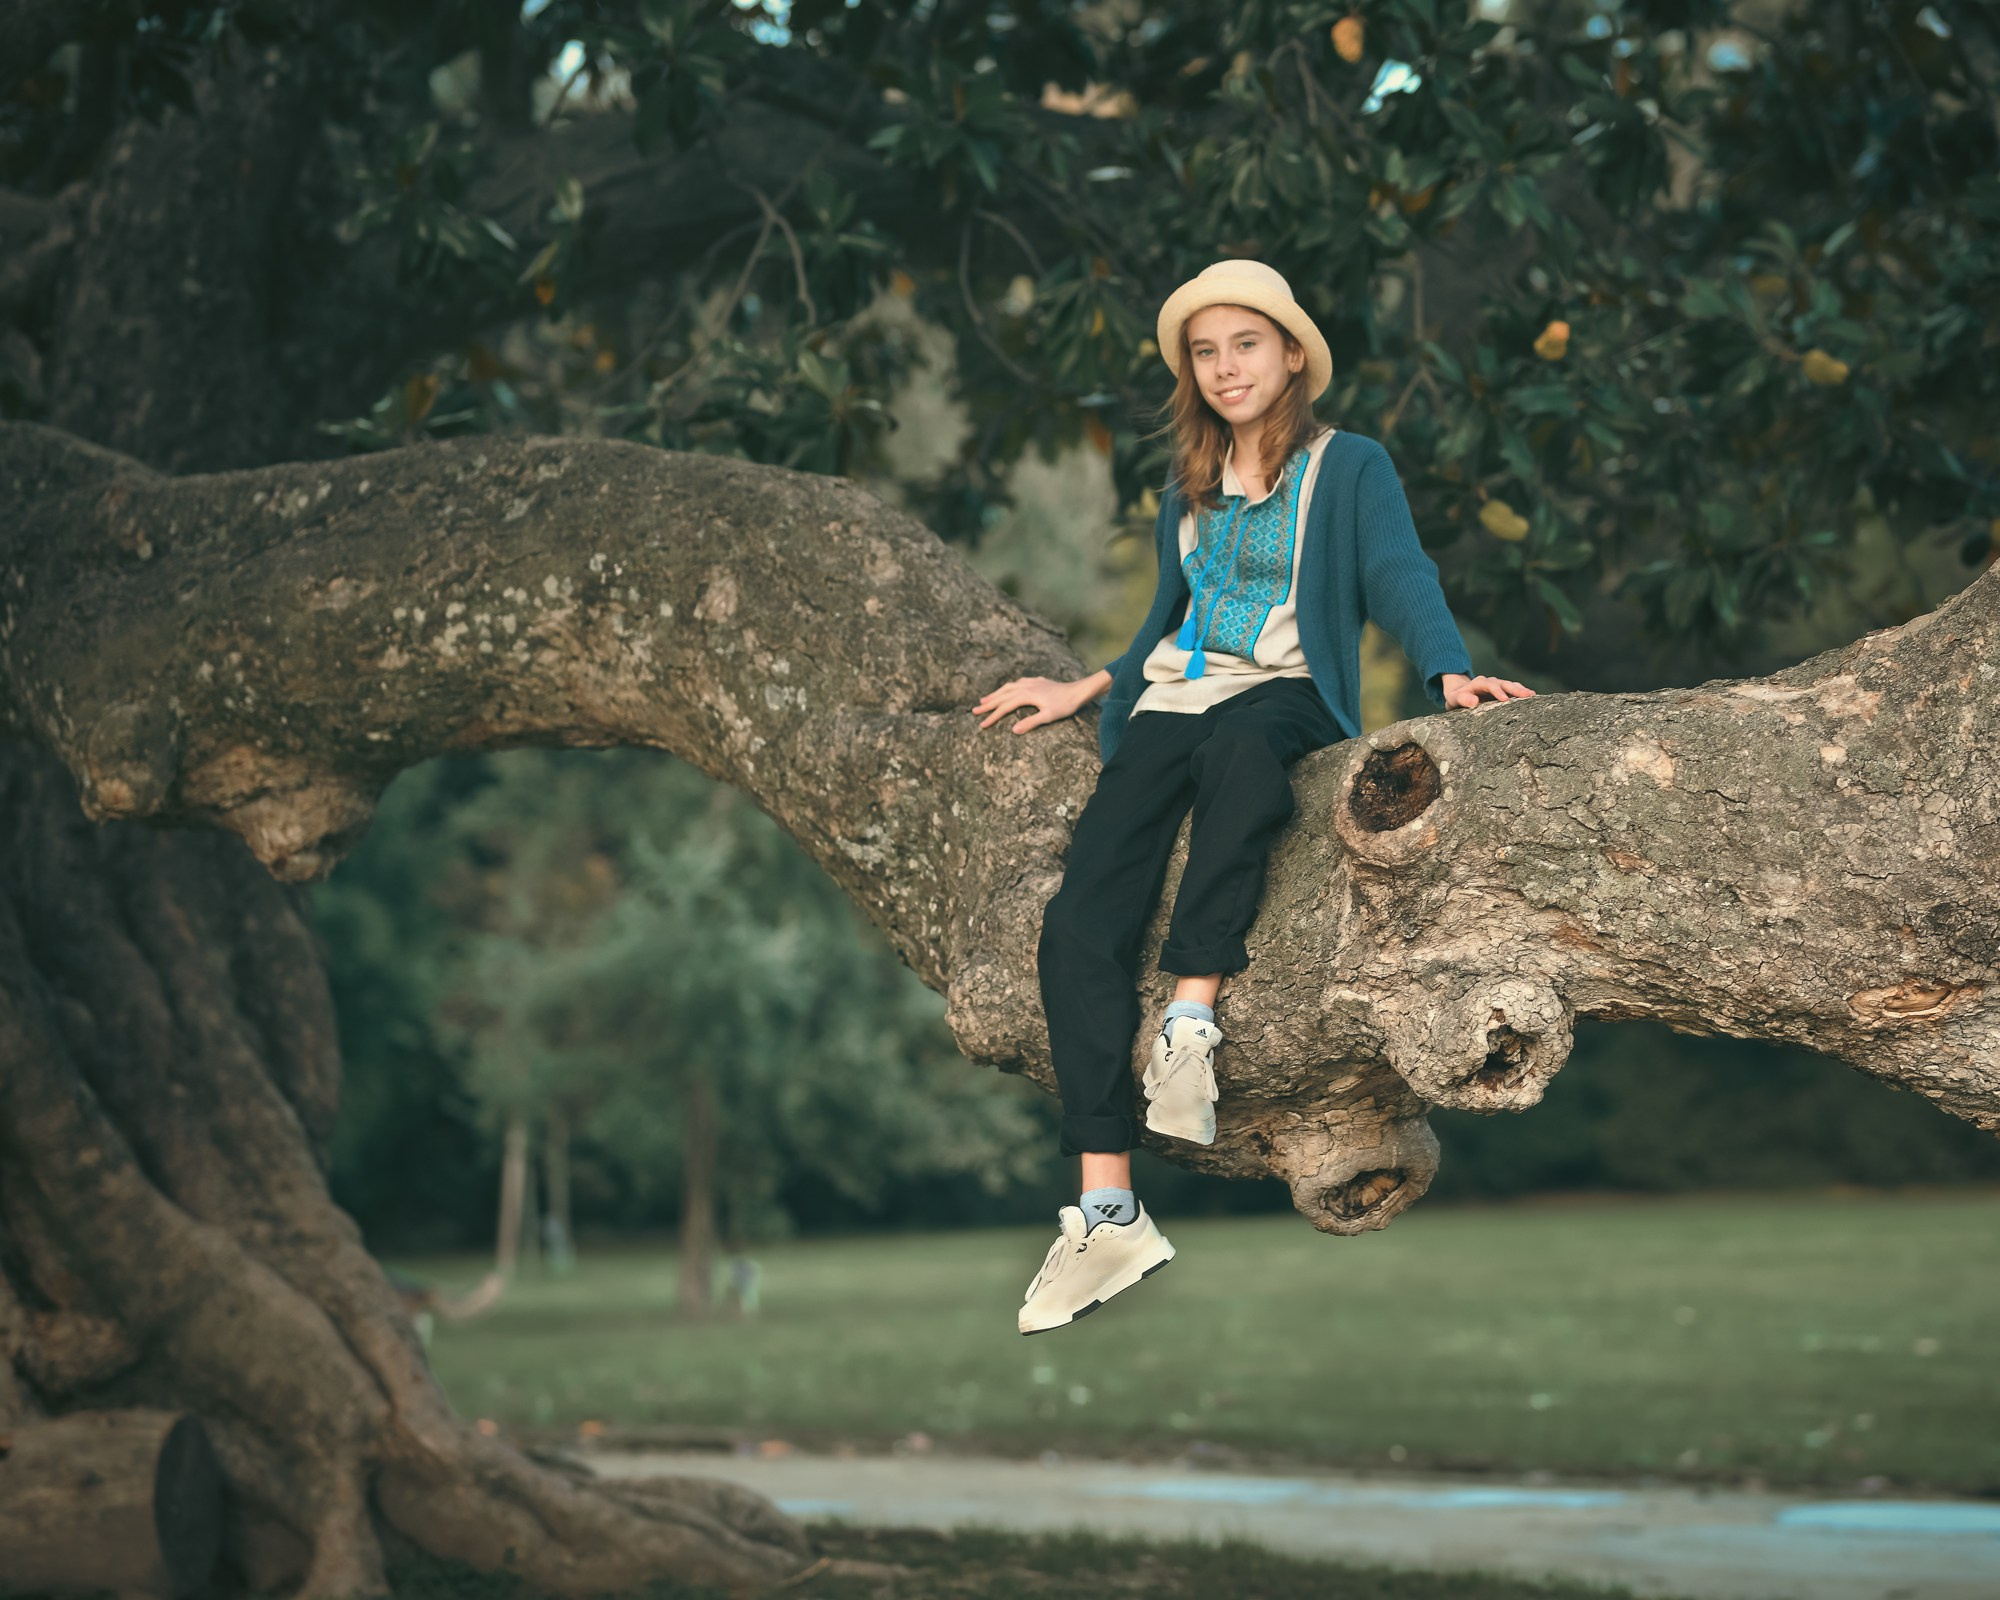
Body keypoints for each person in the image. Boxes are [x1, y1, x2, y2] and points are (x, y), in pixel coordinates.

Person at [974, 259, 1535, 1336]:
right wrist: (1087, 683)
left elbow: (1398, 573)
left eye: (1245, 344)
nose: (1225, 366)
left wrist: (1445, 671)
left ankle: (1190, 1020)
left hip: (1283, 702)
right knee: (1076, 922)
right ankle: (1105, 1210)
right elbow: (1166, 627)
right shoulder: (1183, 487)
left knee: (1239, 752)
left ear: (1289, 356)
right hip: (1169, 708)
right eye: (1205, 349)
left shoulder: (1348, 466)